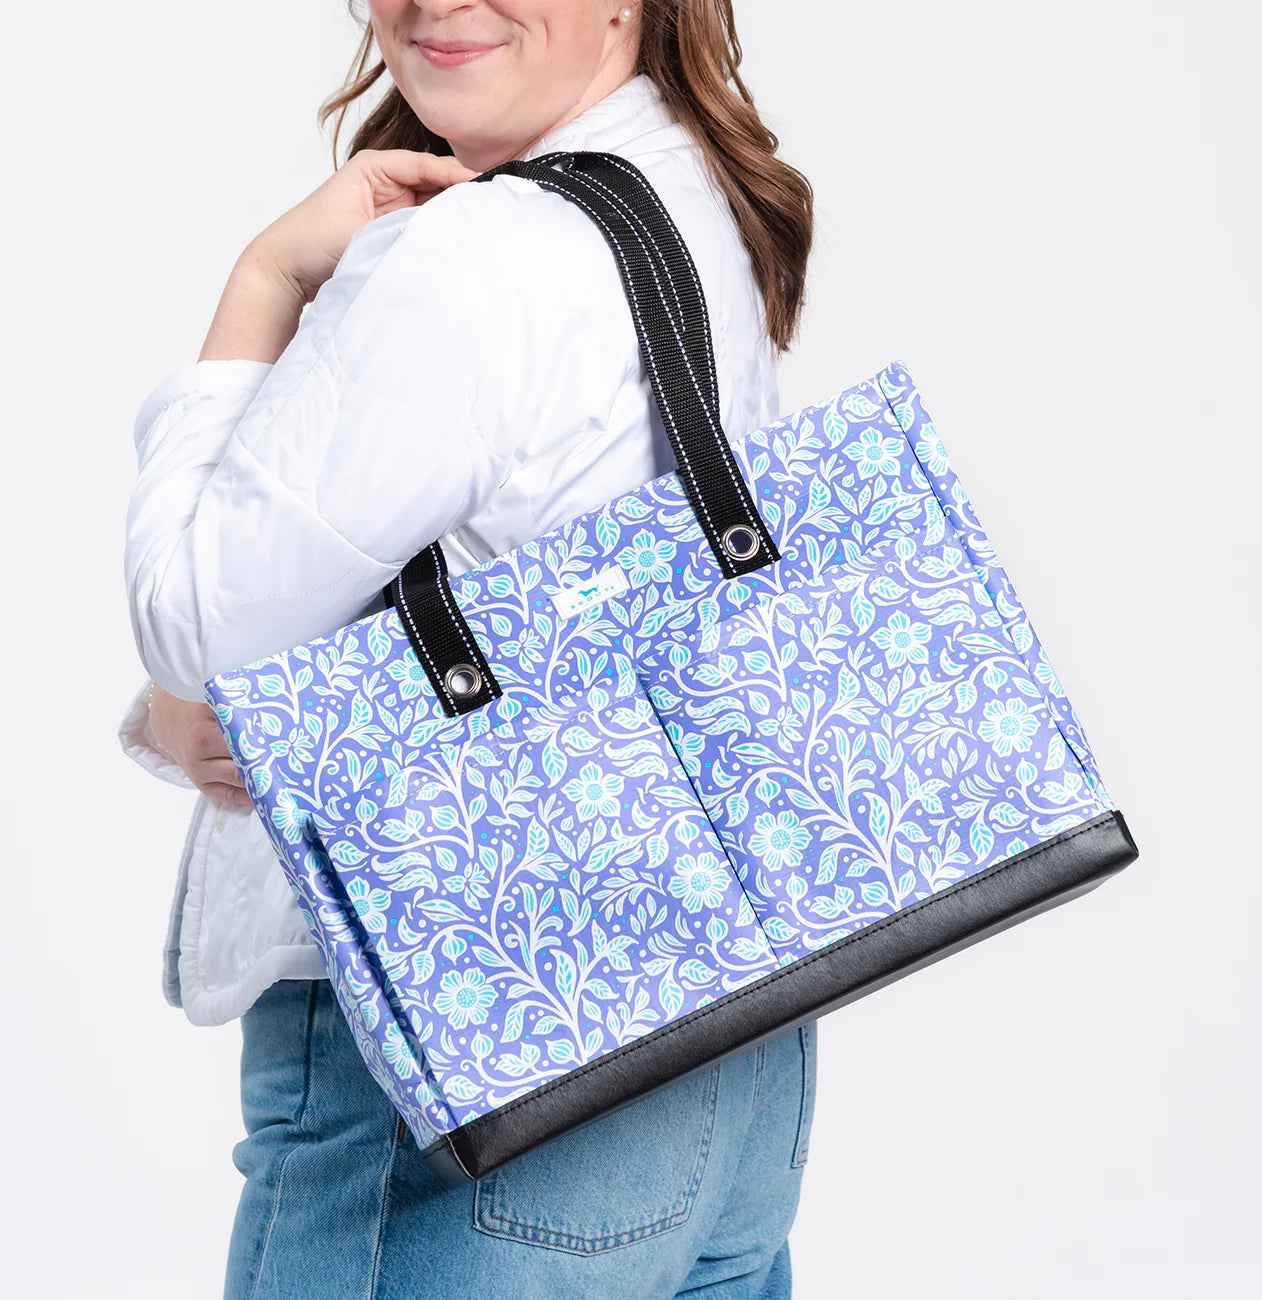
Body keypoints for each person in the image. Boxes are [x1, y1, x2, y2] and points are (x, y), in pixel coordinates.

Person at [120, 2, 817, 1296]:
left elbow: (199, 627)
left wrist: (264, 278)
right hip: (735, 1046)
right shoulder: (698, 187)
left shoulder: (479, 261)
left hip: (466, 1048)